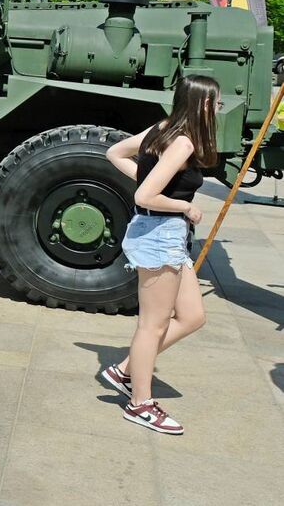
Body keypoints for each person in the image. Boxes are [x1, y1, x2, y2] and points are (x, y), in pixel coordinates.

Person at [102, 75, 217, 435]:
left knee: (193, 316)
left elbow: (114, 153)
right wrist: (184, 206)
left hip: (162, 235)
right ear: (200, 104)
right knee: (153, 325)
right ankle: (140, 404)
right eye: (214, 102)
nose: (216, 108)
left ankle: (125, 369)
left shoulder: (161, 128)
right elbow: (145, 196)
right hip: (159, 234)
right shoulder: (181, 142)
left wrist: (148, 178)